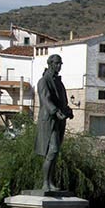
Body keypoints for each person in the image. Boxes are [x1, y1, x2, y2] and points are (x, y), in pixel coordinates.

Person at [35, 54, 74, 191]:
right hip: (49, 120)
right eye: (57, 63)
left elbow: (63, 101)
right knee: (52, 150)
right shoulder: (43, 81)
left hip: (59, 121)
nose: (59, 66)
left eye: (60, 63)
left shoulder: (59, 82)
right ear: (50, 64)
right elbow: (46, 100)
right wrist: (56, 111)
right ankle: (45, 183)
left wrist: (68, 111)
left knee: (55, 154)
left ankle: (50, 182)